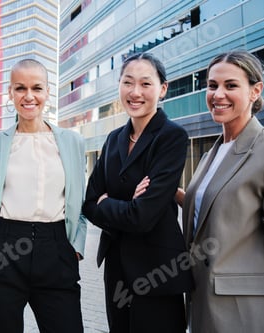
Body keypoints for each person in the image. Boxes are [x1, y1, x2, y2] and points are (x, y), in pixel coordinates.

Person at [178, 50, 264, 333]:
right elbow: (215, 210)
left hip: (243, 311)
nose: (218, 94)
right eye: (212, 86)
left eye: (231, 85)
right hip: (201, 301)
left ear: (255, 90)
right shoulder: (210, 155)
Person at [0, 58, 87, 333]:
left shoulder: (72, 142)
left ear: (47, 92)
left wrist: (76, 249)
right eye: (20, 88)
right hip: (2, 249)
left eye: (37, 88)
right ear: (10, 93)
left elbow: (80, 204)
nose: (29, 96)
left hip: (56, 249)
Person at [82, 52, 193, 333]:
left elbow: (143, 216)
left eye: (145, 84)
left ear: (162, 88)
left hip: (158, 270)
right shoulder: (114, 138)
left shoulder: (172, 137)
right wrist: (125, 205)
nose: (135, 92)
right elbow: (89, 203)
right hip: (117, 268)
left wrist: (109, 203)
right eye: (128, 83)